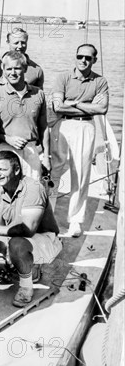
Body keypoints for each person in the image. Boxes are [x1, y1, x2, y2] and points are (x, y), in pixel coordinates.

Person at [0, 151, 62, 307]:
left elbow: (28, 230)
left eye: (2, 170)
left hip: (43, 239)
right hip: (14, 237)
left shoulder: (34, 188)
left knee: (17, 245)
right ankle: (19, 263)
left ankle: (26, 285)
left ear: (16, 170)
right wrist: (2, 253)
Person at [50, 44, 109, 237]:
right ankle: (47, 214)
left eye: (88, 58)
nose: (83, 60)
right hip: (63, 125)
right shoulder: (63, 78)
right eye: (80, 56)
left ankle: (75, 220)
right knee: (54, 170)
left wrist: (73, 103)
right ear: (75, 57)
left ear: (94, 60)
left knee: (82, 174)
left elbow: (101, 109)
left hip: (86, 127)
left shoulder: (99, 81)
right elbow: (58, 107)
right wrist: (87, 105)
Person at [0, 51, 51, 180]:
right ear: (3, 69)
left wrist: (46, 157)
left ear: (25, 68)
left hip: (31, 150)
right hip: (4, 149)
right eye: (9, 69)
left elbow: (44, 127)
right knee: (4, 193)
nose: (13, 73)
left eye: (17, 68)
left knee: (31, 192)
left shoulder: (38, 94)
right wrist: (7, 138)